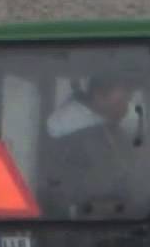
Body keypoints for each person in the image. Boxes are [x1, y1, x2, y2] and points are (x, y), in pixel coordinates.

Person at [42, 76, 139, 213]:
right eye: (120, 102)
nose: (125, 109)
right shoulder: (67, 126)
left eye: (127, 101)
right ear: (99, 96)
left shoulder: (109, 125)